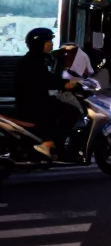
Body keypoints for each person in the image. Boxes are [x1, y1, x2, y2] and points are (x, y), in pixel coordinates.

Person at [16, 28, 79, 159]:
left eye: (50, 40)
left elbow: (49, 77)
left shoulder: (40, 59)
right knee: (71, 111)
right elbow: (43, 80)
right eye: (47, 41)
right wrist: (64, 84)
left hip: (36, 100)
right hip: (32, 103)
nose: (50, 44)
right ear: (37, 44)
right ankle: (49, 143)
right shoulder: (31, 62)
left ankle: (56, 146)